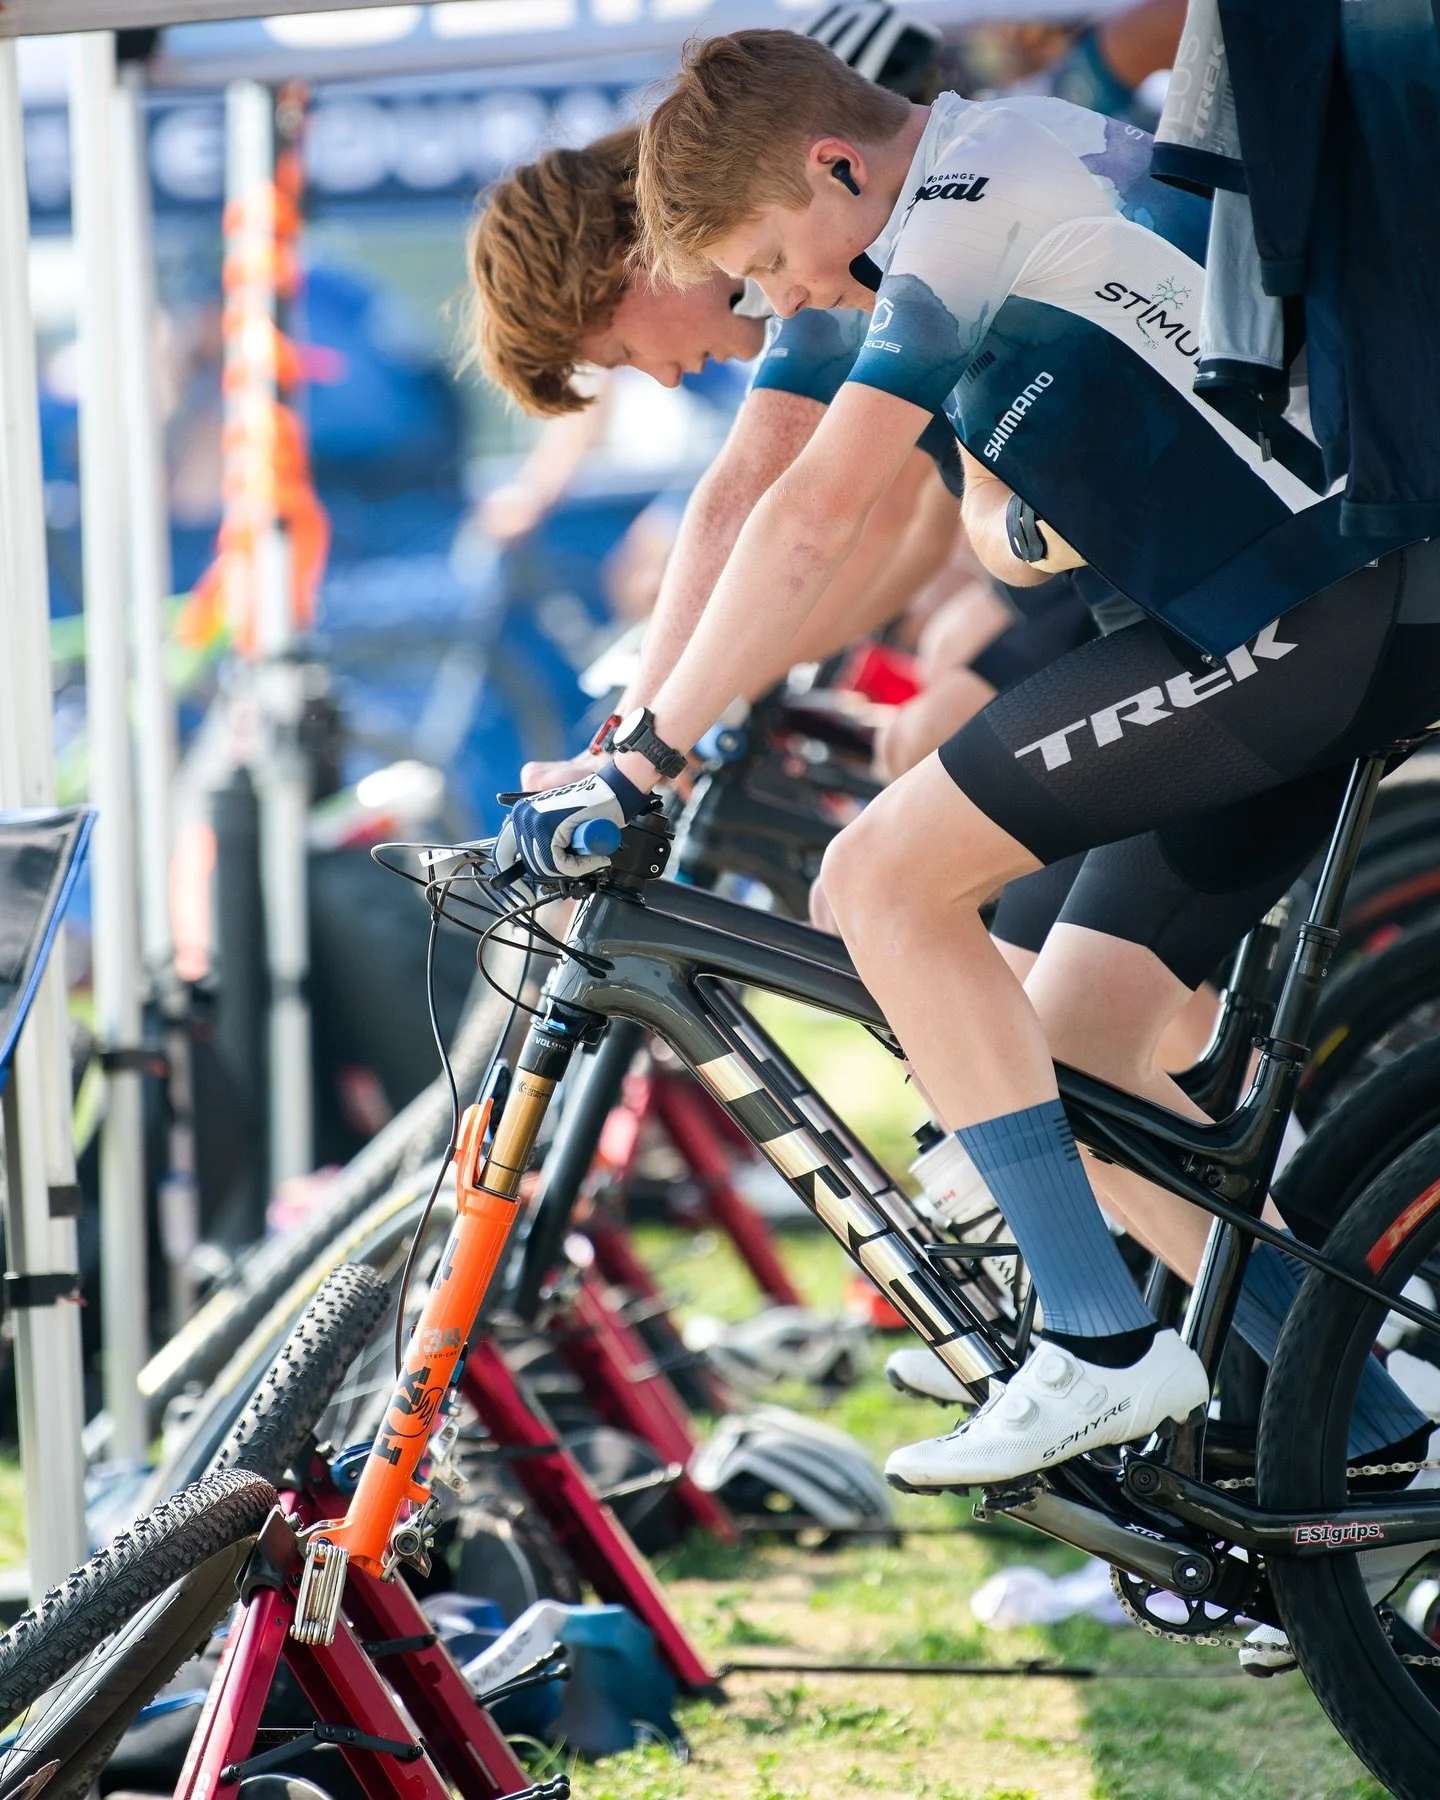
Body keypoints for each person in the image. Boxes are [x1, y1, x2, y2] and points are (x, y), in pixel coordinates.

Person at [500, 29, 1439, 1500]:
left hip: (1309, 605)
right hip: (1301, 607)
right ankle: (1383, 1421)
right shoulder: (950, 187)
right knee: (1068, 1057)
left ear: (835, 168)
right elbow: (860, 509)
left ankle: (1099, 1343)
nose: (782, 300)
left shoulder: (966, 188)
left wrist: (649, 751)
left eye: (773, 262)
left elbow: (807, 512)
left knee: (876, 882)